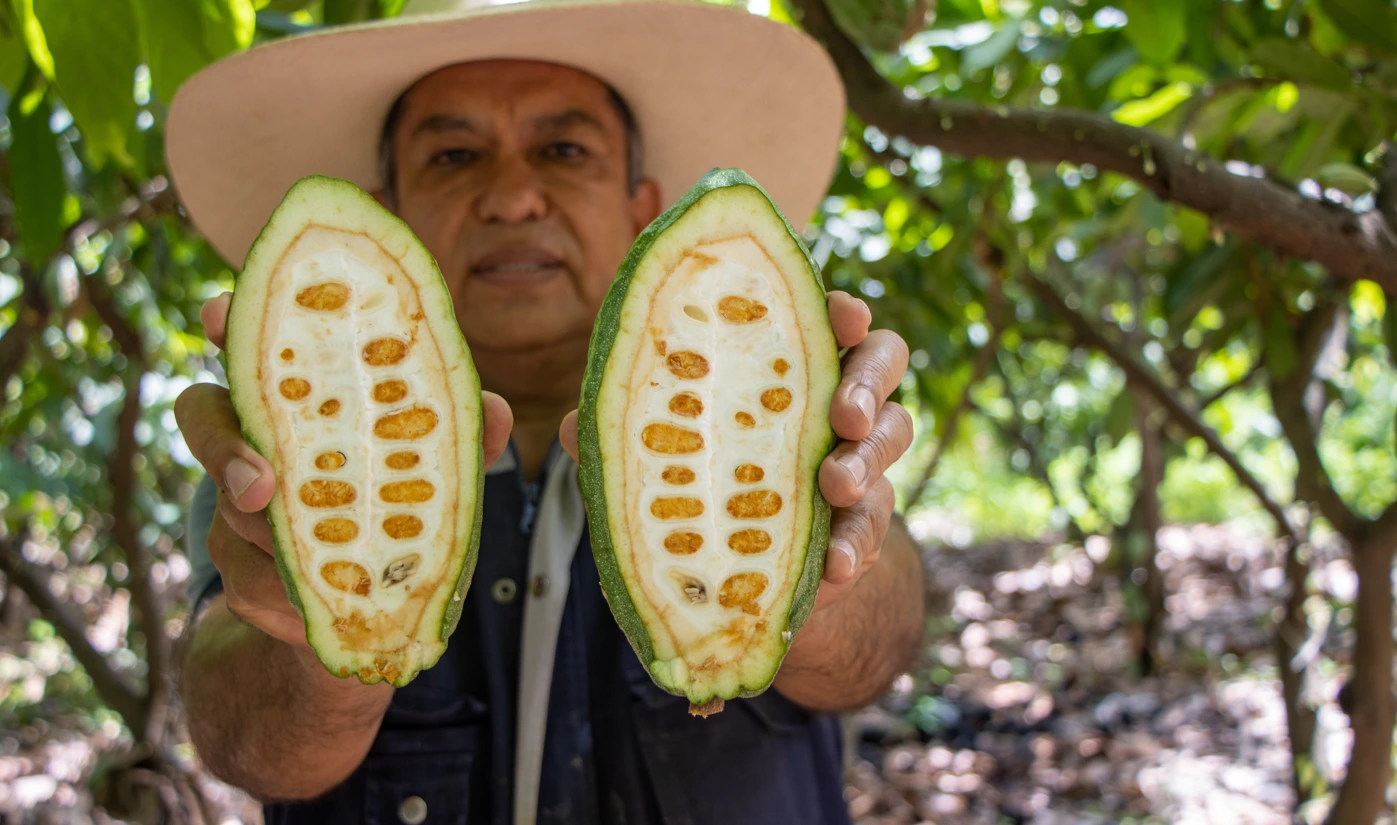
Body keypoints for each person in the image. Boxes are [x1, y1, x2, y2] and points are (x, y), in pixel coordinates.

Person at [167, 0, 925, 822]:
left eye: (563, 149)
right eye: (454, 154)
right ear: (387, 215)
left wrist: (824, 562)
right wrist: (311, 621)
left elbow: (874, 652)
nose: (514, 196)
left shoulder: (768, 391)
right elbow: (246, 747)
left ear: (645, 206)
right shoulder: (288, 435)